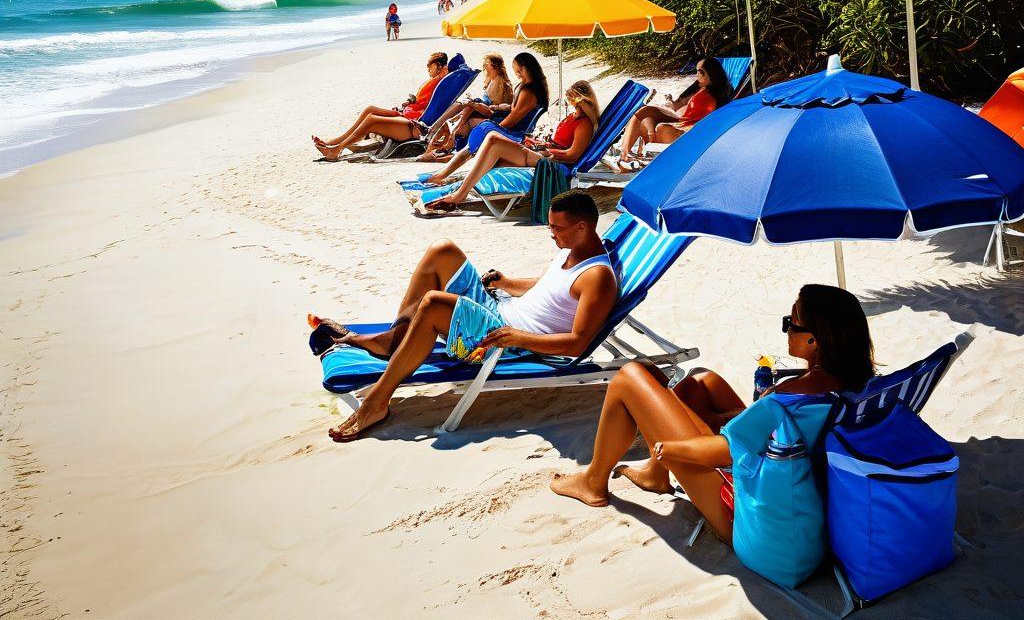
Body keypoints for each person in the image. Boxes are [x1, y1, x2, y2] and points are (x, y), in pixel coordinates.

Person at [550, 284, 875, 541]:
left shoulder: (794, 392)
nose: (787, 329)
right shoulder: (856, 382)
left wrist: (677, 447)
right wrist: (738, 418)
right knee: (702, 382)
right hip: (791, 478)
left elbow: (724, 453)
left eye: (791, 324)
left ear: (814, 340)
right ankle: (654, 473)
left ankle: (593, 482)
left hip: (745, 507)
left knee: (631, 376)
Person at [315, 191, 618, 442]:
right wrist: (506, 282)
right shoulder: (571, 248)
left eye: (557, 228)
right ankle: (395, 340)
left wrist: (516, 336)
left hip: (507, 342)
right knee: (442, 250)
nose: (551, 233)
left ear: (582, 227)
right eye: (550, 226)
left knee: (434, 303)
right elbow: (548, 288)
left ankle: (376, 402)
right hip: (499, 311)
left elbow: (577, 344)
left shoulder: (597, 278)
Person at [420, 80, 600, 213]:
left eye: (571, 99)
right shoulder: (574, 118)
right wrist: (540, 143)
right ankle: (454, 187)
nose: (568, 103)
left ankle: (459, 195)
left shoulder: (583, 123)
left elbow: (573, 155)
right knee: (491, 150)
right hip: (545, 153)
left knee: (492, 139)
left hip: (553, 164)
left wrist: (547, 151)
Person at [417, 51, 549, 187]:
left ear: (527, 68)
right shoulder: (525, 86)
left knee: (480, 131)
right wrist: (499, 108)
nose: (517, 72)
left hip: (515, 133)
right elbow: (514, 110)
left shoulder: (528, 91)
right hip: (512, 127)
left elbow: (514, 118)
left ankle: (442, 170)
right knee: (473, 128)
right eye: (515, 70)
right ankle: (442, 169)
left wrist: (496, 127)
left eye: (519, 69)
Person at [312, 52, 448, 160]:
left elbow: (432, 102)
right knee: (369, 109)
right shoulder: (438, 81)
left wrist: (442, 71)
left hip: (414, 126)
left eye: (430, 66)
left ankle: (336, 150)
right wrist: (412, 103)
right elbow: (427, 102)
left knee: (371, 119)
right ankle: (336, 141)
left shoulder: (441, 80)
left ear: (439, 66)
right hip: (408, 114)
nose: (428, 70)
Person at [616, 57, 731, 170]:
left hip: (684, 130)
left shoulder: (708, 97)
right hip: (681, 124)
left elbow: (697, 121)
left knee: (647, 117)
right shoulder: (705, 91)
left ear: (708, 74)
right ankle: (630, 152)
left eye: (699, 72)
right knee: (644, 116)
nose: (697, 75)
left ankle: (625, 155)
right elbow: (684, 109)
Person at [419, 52, 514, 161]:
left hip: (492, 113)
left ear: (493, 66)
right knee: (462, 104)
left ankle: (437, 132)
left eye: (486, 63)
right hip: (483, 109)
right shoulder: (491, 79)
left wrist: (476, 104)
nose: (484, 66)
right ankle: (437, 132)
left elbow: (497, 107)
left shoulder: (501, 83)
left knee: (465, 106)